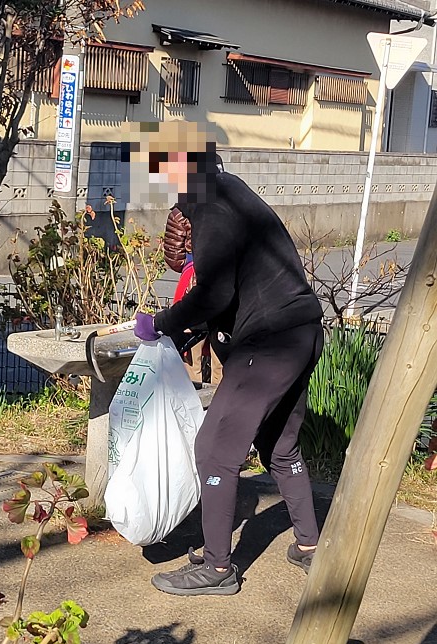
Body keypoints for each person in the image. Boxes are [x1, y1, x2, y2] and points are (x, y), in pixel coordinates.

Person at [131, 126, 323, 597]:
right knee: (280, 447)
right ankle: (310, 545)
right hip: (302, 331)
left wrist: (161, 323)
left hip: (270, 343)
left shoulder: (209, 203)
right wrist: (187, 328)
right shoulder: (232, 190)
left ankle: (217, 568)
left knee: (214, 449)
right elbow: (231, 291)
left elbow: (214, 292)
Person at [164, 207, 222, 385]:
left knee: (190, 352)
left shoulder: (180, 210)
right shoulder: (228, 206)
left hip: (193, 275)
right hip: (222, 275)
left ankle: (194, 402)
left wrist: (188, 264)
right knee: (221, 355)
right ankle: (217, 403)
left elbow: (174, 255)